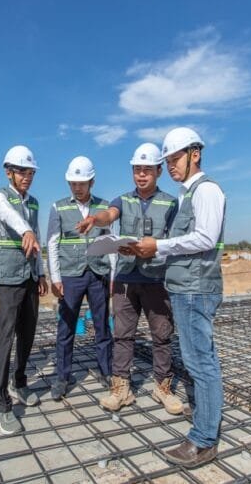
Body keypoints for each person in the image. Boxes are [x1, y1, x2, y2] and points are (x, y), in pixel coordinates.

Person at [130, 127, 226, 468]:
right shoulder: (187, 196)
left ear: (194, 154)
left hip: (197, 290)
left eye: (175, 159)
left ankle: (203, 441)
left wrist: (160, 245)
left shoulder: (207, 191)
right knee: (199, 359)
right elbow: (182, 247)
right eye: (167, 161)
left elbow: (205, 238)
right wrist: (146, 251)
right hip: (185, 288)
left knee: (202, 363)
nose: (171, 166)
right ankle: (206, 419)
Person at [76, 143, 186, 416]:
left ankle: (162, 386)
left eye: (147, 170)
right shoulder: (122, 200)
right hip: (126, 277)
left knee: (162, 335)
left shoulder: (170, 203)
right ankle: (121, 388)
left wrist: (156, 247)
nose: (141, 175)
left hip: (156, 279)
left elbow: (175, 241)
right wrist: (95, 219)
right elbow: (110, 215)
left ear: (158, 171)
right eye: (137, 170)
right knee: (123, 335)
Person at [0, 145, 48, 435]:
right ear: (8, 172)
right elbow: (11, 217)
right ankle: (1, 403)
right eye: (22, 171)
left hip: (29, 276)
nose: (27, 177)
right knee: (7, 335)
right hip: (7, 277)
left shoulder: (34, 202)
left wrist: (41, 272)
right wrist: (25, 230)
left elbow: (37, 237)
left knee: (29, 331)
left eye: (31, 172)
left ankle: (19, 382)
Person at [46, 156, 113, 401]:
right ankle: (63, 377)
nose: (77, 187)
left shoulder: (104, 208)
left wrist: (112, 275)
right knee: (66, 328)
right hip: (70, 275)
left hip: (98, 274)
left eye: (82, 182)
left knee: (102, 326)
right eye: (73, 182)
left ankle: (106, 371)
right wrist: (55, 277)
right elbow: (52, 243)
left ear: (91, 182)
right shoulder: (59, 207)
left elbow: (109, 243)